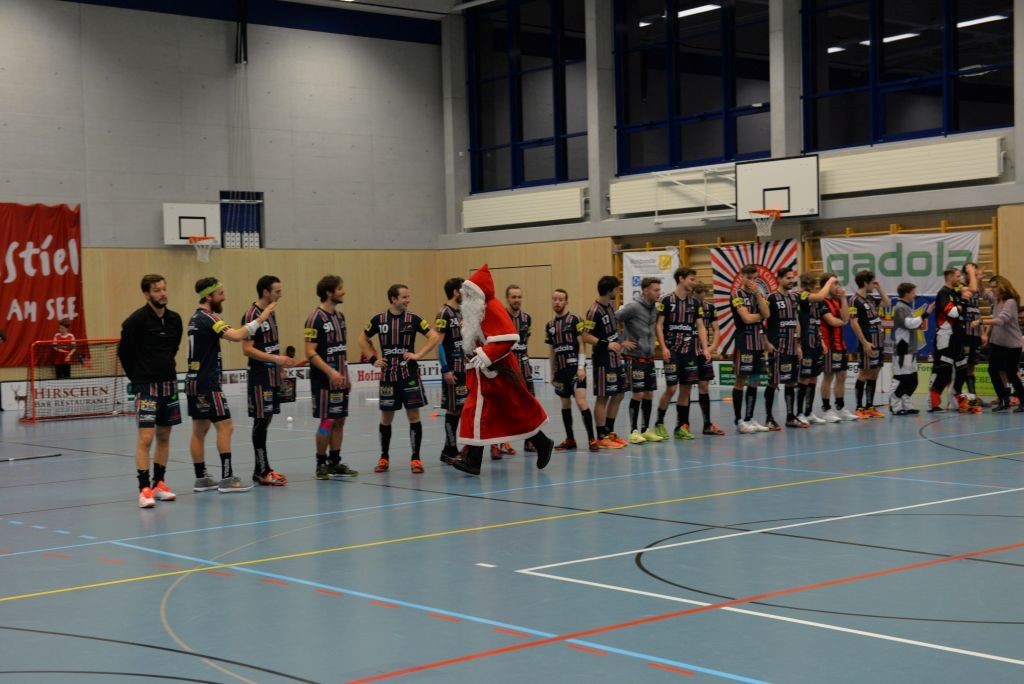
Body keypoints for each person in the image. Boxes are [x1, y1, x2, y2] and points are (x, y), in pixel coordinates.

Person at [448, 264, 554, 475]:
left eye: (469, 292)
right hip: (484, 372)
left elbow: (508, 338)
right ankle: (540, 443)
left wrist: (485, 355)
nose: (465, 296)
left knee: (493, 410)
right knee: (498, 411)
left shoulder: (492, 307)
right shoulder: (477, 310)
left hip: (499, 370)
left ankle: (474, 460)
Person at [186, 277, 275, 493]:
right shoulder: (209, 317)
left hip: (193, 380)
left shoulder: (195, 318)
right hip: (208, 382)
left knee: (200, 429)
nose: (224, 297)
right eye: (220, 294)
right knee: (226, 426)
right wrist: (261, 318)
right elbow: (236, 336)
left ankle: (201, 478)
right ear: (208, 296)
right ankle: (227, 478)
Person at [358, 284, 441, 474]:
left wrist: (418, 355)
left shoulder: (414, 319)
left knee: (414, 416)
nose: (408, 300)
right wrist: (373, 359)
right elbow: (362, 338)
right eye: (404, 297)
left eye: (408, 297)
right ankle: (384, 457)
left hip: (409, 375)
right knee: (386, 418)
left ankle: (416, 458)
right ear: (393, 299)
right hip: (388, 376)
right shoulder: (379, 319)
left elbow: (434, 337)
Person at [118, 274, 183, 508]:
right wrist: (138, 379)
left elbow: (173, 348)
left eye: (164, 289)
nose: (162, 293)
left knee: (164, 436)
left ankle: (159, 484)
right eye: (157, 290)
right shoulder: (135, 321)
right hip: (146, 387)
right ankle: (144, 488)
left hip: (169, 385)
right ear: (146, 294)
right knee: (146, 438)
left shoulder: (175, 319)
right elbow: (124, 353)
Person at [243, 275, 295, 486]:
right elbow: (247, 349)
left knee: (266, 420)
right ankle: (262, 470)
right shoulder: (251, 315)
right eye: (277, 291)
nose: (280, 295)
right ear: (266, 292)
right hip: (259, 377)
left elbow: (272, 345)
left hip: (272, 375)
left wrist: (280, 368)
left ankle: (260, 470)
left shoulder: (271, 313)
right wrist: (275, 359)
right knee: (261, 421)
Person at [305, 275, 359, 480]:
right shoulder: (314, 318)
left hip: (340, 378)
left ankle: (335, 462)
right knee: (327, 420)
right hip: (323, 380)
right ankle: (321, 463)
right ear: (329, 292)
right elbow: (310, 352)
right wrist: (331, 372)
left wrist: (347, 375)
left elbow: (341, 350)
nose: (344, 292)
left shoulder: (340, 317)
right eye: (340, 289)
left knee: (340, 420)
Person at [654, 269, 710, 440]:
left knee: (686, 389)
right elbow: (659, 325)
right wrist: (663, 347)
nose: (694, 282)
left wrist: (705, 348)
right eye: (691, 279)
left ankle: (681, 426)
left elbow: (700, 327)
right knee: (671, 388)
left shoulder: (695, 303)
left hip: (689, 352)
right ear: (681, 279)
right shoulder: (666, 300)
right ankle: (659, 423)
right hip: (672, 351)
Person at [545, 288, 597, 451]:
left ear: (566, 302)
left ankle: (592, 439)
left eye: (560, 299)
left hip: (575, 369)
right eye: (555, 299)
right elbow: (552, 350)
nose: (557, 302)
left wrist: (581, 367)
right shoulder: (550, 325)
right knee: (565, 404)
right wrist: (552, 372)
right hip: (561, 372)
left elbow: (582, 344)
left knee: (581, 402)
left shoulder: (574, 319)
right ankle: (570, 439)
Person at [582, 276, 629, 448]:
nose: (618, 291)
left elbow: (613, 332)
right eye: (616, 289)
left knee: (619, 394)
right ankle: (601, 435)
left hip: (615, 359)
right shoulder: (593, 311)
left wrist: (620, 346)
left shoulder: (611, 306)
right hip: (602, 360)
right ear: (609, 290)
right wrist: (606, 344)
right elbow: (585, 336)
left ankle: (609, 432)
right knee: (603, 397)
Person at [617, 277, 662, 443]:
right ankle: (633, 431)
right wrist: (622, 342)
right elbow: (614, 318)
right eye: (655, 290)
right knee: (638, 393)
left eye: (659, 290)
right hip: (634, 356)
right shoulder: (633, 307)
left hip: (649, 357)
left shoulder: (655, 308)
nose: (659, 293)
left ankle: (645, 430)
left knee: (649, 394)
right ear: (645, 291)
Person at [730, 264, 771, 433]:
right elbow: (746, 318)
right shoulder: (736, 295)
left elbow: (767, 314)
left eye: (755, 278)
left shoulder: (758, 294)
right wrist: (759, 316)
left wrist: (758, 295)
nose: (752, 282)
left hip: (758, 344)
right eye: (749, 278)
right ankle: (739, 420)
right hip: (744, 343)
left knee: (755, 381)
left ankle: (749, 418)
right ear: (742, 277)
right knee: (741, 381)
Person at [764, 266, 804, 429]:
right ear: (779, 279)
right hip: (777, 347)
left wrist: (798, 345)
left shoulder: (794, 298)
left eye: (792, 277)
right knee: (773, 382)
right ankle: (769, 417)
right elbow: (761, 321)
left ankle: (790, 417)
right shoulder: (771, 298)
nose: (791, 280)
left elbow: (796, 321)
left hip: (792, 347)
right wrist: (766, 343)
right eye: (788, 278)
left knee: (791, 382)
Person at [980, 275, 1024, 412]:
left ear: (1002, 287)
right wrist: (979, 279)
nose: (992, 290)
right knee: (993, 370)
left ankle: (1023, 401)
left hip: (1012, 345)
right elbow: (983, 293)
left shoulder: (1010, 302)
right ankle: (1003, 399)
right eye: (991, 287)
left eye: (994, 287)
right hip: (998, 343)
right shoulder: (996, 299)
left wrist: (981, 321)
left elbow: (1001, 320)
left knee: (1011, 373)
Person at [436, 277, 468, 464]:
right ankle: (449, 450)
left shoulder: (461, 312)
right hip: (452, 370)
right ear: (456, 292)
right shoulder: (444, 313)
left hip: (464, 369)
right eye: (463, 290)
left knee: (462, 408)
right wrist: (445, 369)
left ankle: (452, 448)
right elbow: (438, 343)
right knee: (453, 409)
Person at [795, 272, 835, 425]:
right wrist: (829, 282)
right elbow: (819, 296)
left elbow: (817, 322)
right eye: (811, 286)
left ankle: (808, 412)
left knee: (813, 377)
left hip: (815, 342)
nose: (812, 288)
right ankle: (799, 413)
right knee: (804, 378)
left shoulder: (817, 303)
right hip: (805, 343)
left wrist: (822, 341)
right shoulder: (802, 296)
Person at [849, 270, 889, 419]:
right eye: (872, 282)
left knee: (875, 372)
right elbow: (853, 323)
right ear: (865, 283)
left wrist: (879, 288)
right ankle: (859, 407)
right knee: (864, 373)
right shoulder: (854, 300)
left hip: (878, 341)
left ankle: (870, 406)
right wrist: (864, 342)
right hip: (868, 342)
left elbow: (887, 303)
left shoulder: (871, 298)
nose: (874, 284)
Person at [819, 273, 857, 422]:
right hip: (828, 345)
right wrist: (842, 321)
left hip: (840, 344)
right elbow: (832, 321)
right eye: (834, 283)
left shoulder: (837, 301)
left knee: (842, 376)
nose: (838, 286)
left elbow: (846, 317)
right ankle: (826, 409)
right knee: (828, 376)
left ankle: (840, 408)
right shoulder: (821, 301)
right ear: (827, 285)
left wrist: (843, 298)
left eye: (837, 283)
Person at [502, 284, 534, 455]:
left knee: (529, 402)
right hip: (506, 367)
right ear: (507, 298)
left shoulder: (527, 318)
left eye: (519, 297)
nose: (517, 300)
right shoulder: (501, 316)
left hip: (524, 366)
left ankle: (529, 441)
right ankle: (501, 443)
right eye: (513, 297)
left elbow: (526, 341)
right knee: (504, 405)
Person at [929, 267, 967, 412]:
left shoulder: (955, 292)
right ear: (950, 277)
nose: (960, 278)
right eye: (957, 276)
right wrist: (962, 302)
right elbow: (953, 313)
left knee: (962, 369)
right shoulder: (943, 293)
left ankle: (956, 397)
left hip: (957, 337)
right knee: (944, 371)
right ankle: (934, 402)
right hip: (945, 337)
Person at [889, 282, 928, 415]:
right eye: (913, 292)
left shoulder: (907, 307)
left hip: (910, 349)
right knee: (903, 378)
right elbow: (908, 324)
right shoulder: (900, 307)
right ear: (906, 294)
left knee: (913, 380)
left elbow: (911, 324)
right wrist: (925, 314)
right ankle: (895, 404)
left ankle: (906, 404)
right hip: (903, 348)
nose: (914, 295)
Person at [691, 282, 725, 435]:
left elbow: (716, 329)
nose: (702, 298)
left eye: (704, 294)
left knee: (704, 386)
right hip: (688, 351)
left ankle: (707, 423)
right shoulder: (687, 306)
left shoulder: (710, 308)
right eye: (699, 295)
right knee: (685, 388)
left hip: (703, 352)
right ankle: (683, 424)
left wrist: (713, 346)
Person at [956, 262, 984, 413]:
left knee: (971, 366)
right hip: (964, 331)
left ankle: (972, 398)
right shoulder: (960, 286)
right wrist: (972, 273)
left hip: (975, 332)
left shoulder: (975, 285)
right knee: (963, 367)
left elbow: (978, 310)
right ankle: (960, 399)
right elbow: (972, 289)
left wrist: (983, 332)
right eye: (970, 270)